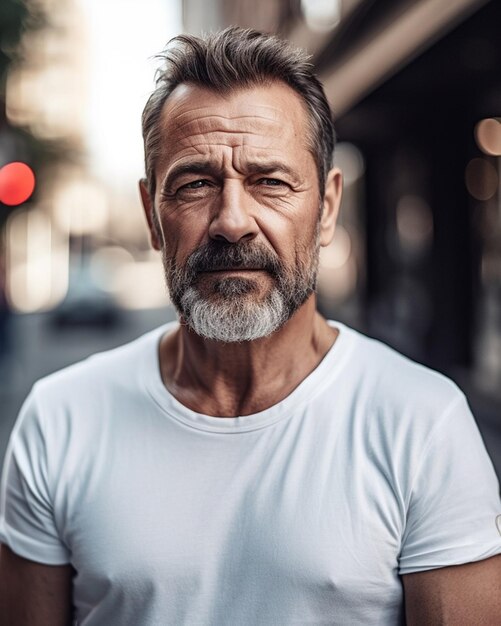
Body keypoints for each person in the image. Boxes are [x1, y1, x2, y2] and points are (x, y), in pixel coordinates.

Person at [1, 26, 500, 626]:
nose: (232, 221)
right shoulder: (59, 421)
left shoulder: (423, 424)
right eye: (195, 184)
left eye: (270, 181)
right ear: (151, 217)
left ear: (328, 207)